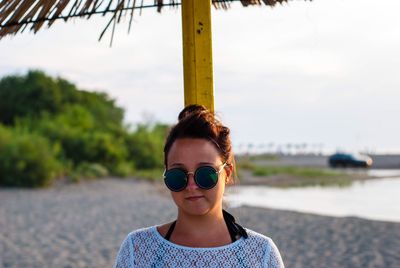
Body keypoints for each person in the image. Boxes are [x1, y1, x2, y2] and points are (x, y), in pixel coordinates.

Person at [114, 104, 284, 268]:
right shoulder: (137, 249)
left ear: (228, 173)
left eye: (205, 174)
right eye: (178, 175)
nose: (191, 185)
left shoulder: (261, 254)